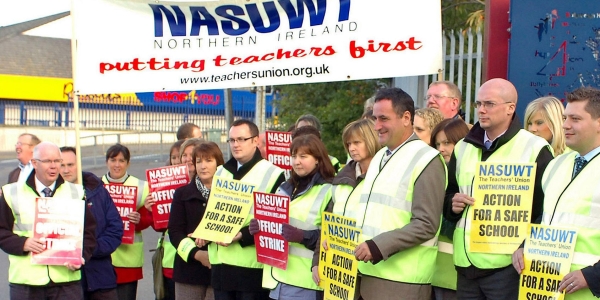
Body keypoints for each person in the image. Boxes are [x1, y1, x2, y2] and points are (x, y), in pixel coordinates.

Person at [444, 78, 553, 299]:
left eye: (489, 104)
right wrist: (451, 204)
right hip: (466, 266)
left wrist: (527, 246)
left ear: (510, 108)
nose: (481, 110)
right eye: (478, 104)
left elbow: (545, 210)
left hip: (509, 268)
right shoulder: (463, 147)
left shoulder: (535, 149)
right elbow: (448, 195)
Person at [350, 87, 447, 299]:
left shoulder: (427, 159)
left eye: (384, 118)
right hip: (367, 274)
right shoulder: (379, 157)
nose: (376, 126)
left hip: (403, 281)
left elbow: (426, 224)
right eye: (375, 118)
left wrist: (378, 246)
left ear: (406, 118)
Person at [512, 87, 600, 299]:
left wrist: (593, 275)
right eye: (564, 117)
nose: (565, 125)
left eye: (575, 118)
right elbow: (549, 218)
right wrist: (525, 246)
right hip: (547, 290)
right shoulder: (557, 164)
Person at [0, 142, 97, 299]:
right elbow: (1, 231)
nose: (53, 166)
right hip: (26, 282)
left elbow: (89, 232)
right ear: (34, 163)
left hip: (66, 281)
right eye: (47, 161)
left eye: (57, 161)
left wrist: (82, 256)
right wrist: (22, 243)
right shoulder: (11, 192)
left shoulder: (76, 192)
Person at [251, 134, 335, 300]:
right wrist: (260, 227)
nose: (297, 161)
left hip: (306, 282)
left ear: (318, 159)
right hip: (277, 279)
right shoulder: (285, 187)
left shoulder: (329, 190)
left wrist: (302, 236)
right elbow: (274, 225)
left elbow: (332, 238)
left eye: (303, 156)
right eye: (294, 156)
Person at [210, 119, 285, 300]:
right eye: (232, 140)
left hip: (252, 267)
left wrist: (243, 235)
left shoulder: (273, 173)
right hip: (220, 266)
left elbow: (275, 221)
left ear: (255, 141)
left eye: (242, 139)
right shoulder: (220, 172)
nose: (236, 145)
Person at [311, 118, 381, 295]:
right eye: (349, 144)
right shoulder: (342, 177)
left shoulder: (384, 177)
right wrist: (317, 261)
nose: (351, 148)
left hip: (371, 268)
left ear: (372, 140)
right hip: (339, 267)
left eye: (357, 142)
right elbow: (327, 224)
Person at [60, 146, 123, 300]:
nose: (66, 170)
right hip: (66, 281)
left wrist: (87, 250)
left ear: (79, 165)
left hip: (101, 278)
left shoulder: (98, 191)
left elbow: (115, 229)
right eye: (62, 165)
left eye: (70, 164)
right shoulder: (48, 196)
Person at [169, 142, 223, 300]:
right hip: (188, 271)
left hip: (219, 270)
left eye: (208, 161)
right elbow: (175, 232)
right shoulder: (182, 193)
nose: (203, 166)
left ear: (218, 163)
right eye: (198, 161)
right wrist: (197, 254)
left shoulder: (229, 193)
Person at [102, 144, 152, 300]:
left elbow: (148, 220)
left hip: (128, 261)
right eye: (113, 160)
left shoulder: (142, 186)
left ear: (128, 163)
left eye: (121, 161)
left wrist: (139, 220)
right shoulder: (96, 185)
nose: (117, 165)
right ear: (107, 162)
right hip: (102, 258)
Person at [428, 119, 469, 300]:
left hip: (456, 277)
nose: (441, 149)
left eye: (447, 143)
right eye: (437, 144)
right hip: (431, 272)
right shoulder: (433, 175)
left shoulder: (467, 179)